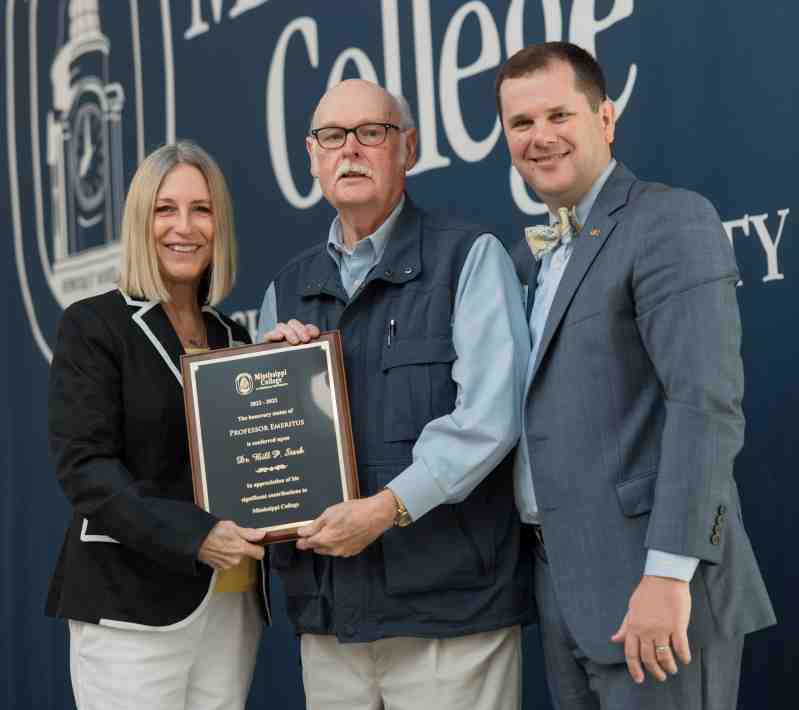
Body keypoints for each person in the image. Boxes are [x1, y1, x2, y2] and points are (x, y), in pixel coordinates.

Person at [496, 42, 776, 709]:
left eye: (558, 115)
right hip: (563, 587)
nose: (540, 138)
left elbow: (703, 402)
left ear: (605, 118)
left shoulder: (666, 220)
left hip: (655, 594)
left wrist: (667, 574)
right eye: (520, 123)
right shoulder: (527, 257)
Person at [257, 79, 532, 709]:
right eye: (332, 137)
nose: (349, 150)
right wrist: (277, 373)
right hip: (333, 621)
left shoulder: (469, 257)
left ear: (406, 147)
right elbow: (272, 454)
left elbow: (491, 418)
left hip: (452, 613)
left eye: (370, 133)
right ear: (312, 155)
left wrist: (386, 509)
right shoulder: (287, 288)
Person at [47, 141, 269, 710]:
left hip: (229, 601)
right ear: (139, 221)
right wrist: (195, 536)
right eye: (165, 209)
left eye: (202, 209)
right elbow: (86, 468)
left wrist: (285, 366)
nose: (184, 227)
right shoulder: (95, 325)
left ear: (220, 224)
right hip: (131, 601)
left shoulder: (233, 337)